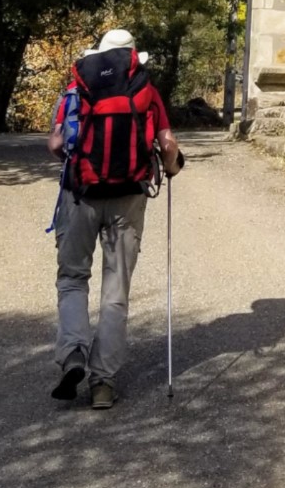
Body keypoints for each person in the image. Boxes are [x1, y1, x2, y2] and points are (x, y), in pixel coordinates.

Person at [47, 27, 183, 409]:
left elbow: (56, 144)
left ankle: (73, 352)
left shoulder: (76, 89)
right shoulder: (146, 91)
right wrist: (171, 167)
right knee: (115, 289)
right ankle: (102, 383)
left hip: (81, 195)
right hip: (128, 198)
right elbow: (168, 145)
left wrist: (75, 165)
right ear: (133, 58)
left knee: (73, 278)